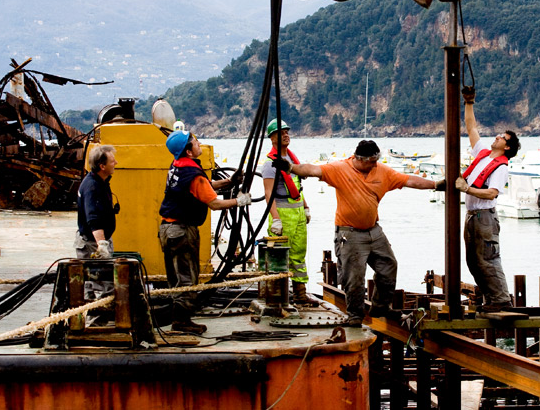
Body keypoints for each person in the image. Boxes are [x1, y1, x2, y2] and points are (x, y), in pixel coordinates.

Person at [273, 139, 435, 326]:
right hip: (350, 234)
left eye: (376, 160)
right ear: (360, 159)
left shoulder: (381, 171)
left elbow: (410, 180)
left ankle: (381, 307)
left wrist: (436, 184)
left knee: (388, 266)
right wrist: (291, 168)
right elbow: (312, 170)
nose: (375, 164)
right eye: (372, 161)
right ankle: (355, 315)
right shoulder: (340, 169)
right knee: (354, 277)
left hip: (374, 231)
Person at [159, 130, 252, 334]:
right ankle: (181, 322)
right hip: (182, 231)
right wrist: (239, 201)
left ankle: (180, 318)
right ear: (189, 151)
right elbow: (214, 203)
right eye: (194, 142)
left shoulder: (178, 167)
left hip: (167, 229)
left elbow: (205, 187)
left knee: (175, 278)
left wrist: (229, 182)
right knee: (186, 278)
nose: (198, 143)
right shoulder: (193, 174)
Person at [460, 86, 520, 312]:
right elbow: (471, 127)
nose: (496, 136)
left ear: (507, 147)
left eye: (502, 137)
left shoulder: (501, 167)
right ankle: (491, 299)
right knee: (474, 262)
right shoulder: (484, 154)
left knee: (488, 259)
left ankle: (501, 300)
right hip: (473, 215)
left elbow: (491, 193)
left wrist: (466, 188)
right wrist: (469, 103)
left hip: (484, 216)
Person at [261, 118, 316, 305]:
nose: (286, 135)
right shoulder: (270, 164)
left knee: (299, 255)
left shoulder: (292, 160)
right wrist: (275, 219)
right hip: (283, 215)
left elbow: (297, 186)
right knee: (280, 257)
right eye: (281, 132)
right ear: (272, 138)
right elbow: (269, 194)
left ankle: (300, 294)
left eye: (287, 131)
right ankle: (278, 297)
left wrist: (306, 207)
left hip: (298, 213)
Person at [75, 144, 119, 300]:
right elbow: (93, 219)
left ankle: (93, 318)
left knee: (91, 286)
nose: (116, 163)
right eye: (112, 161)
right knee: (103, 285)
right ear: (102, 166)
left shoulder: (99, 182)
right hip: (93, 243)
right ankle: (99, 319)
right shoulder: (93, 187)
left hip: (94, 240)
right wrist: (102, 245)